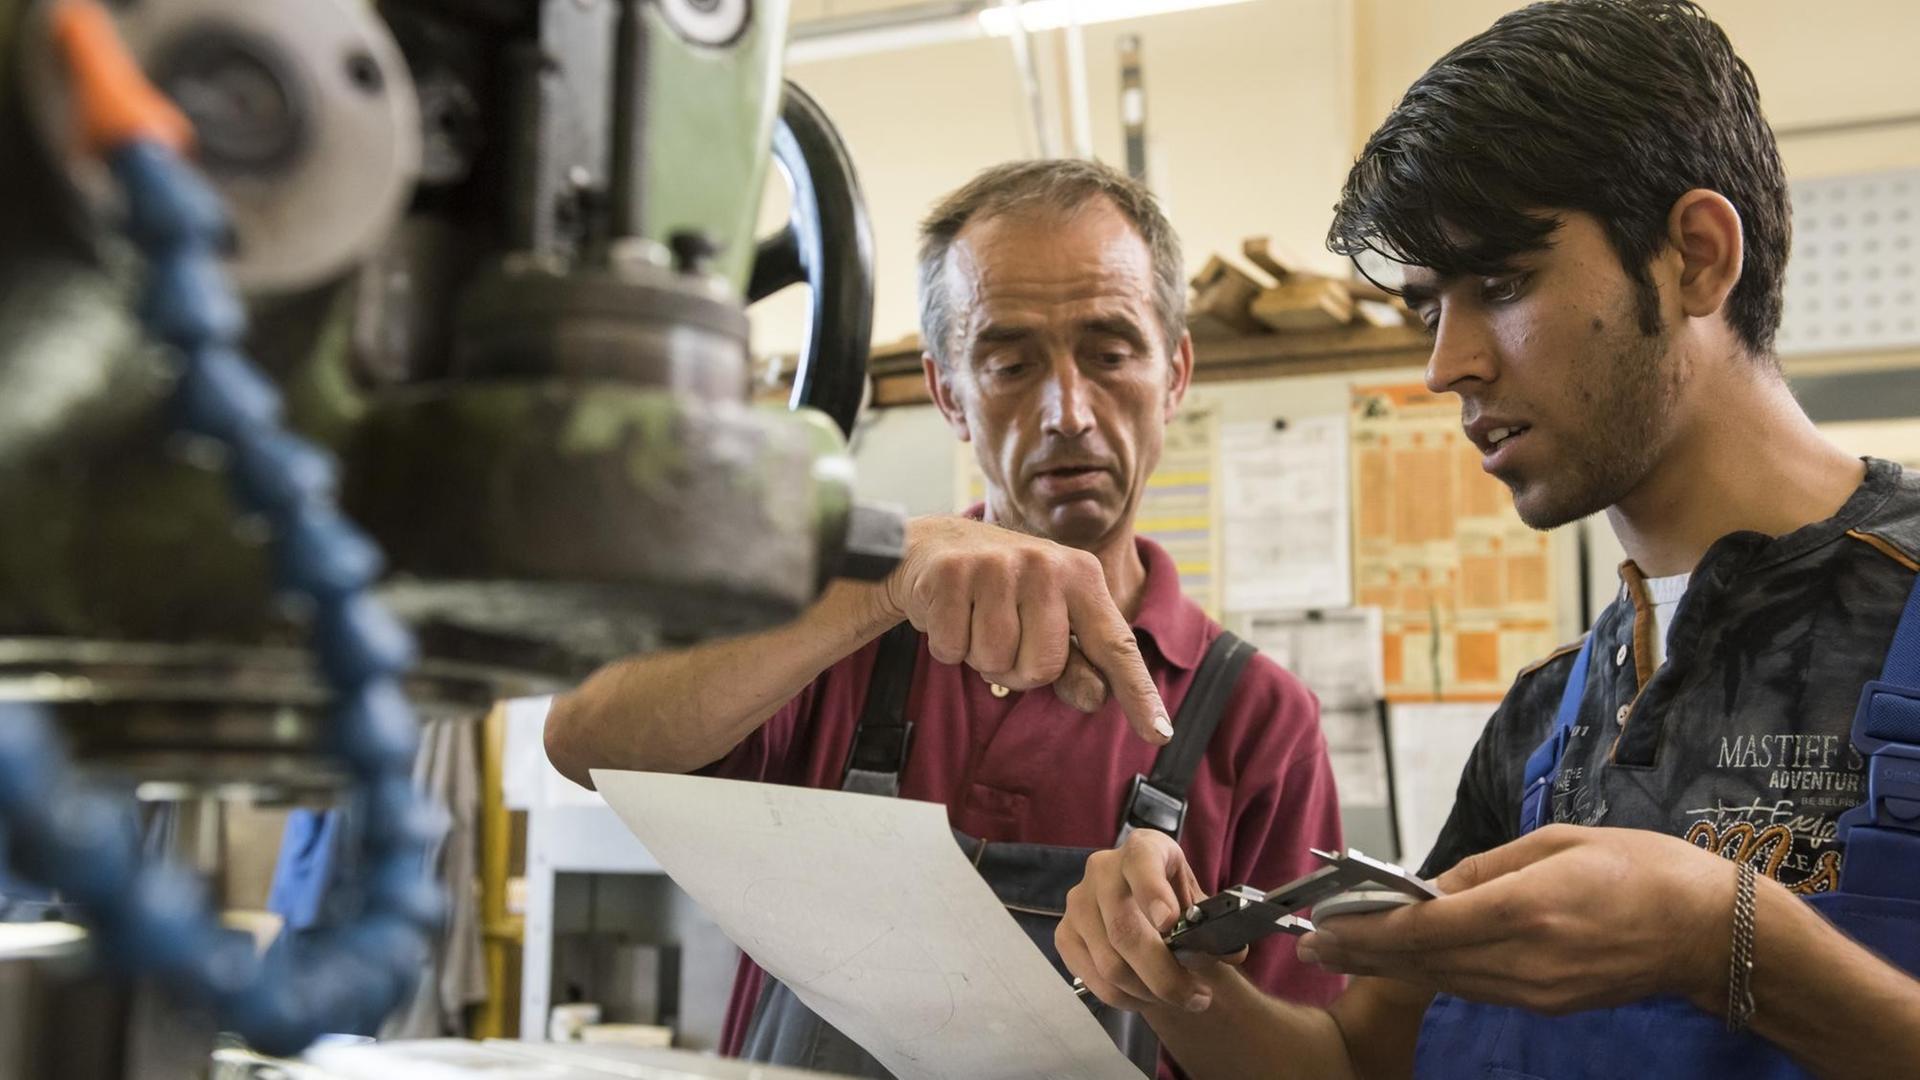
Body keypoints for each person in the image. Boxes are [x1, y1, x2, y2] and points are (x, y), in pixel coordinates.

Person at [1053, 2, 1920, 1077]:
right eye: (1427, 308)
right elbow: (1351, 1064)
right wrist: (1168, 975)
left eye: (1501, 285)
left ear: (1696, 258)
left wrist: (1729, 941)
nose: (1446, 365)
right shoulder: (1544, 724)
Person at [543, 158, 1345, 1078]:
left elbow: (1310, 1062)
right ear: (947, 393)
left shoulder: (1257, 717)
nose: (1067, 412)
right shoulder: (838, 634)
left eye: (1112, 351)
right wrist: (878, 582)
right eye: (1008, 362)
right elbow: (584, 741)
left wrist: (1177, 975)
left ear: (1175, 372)